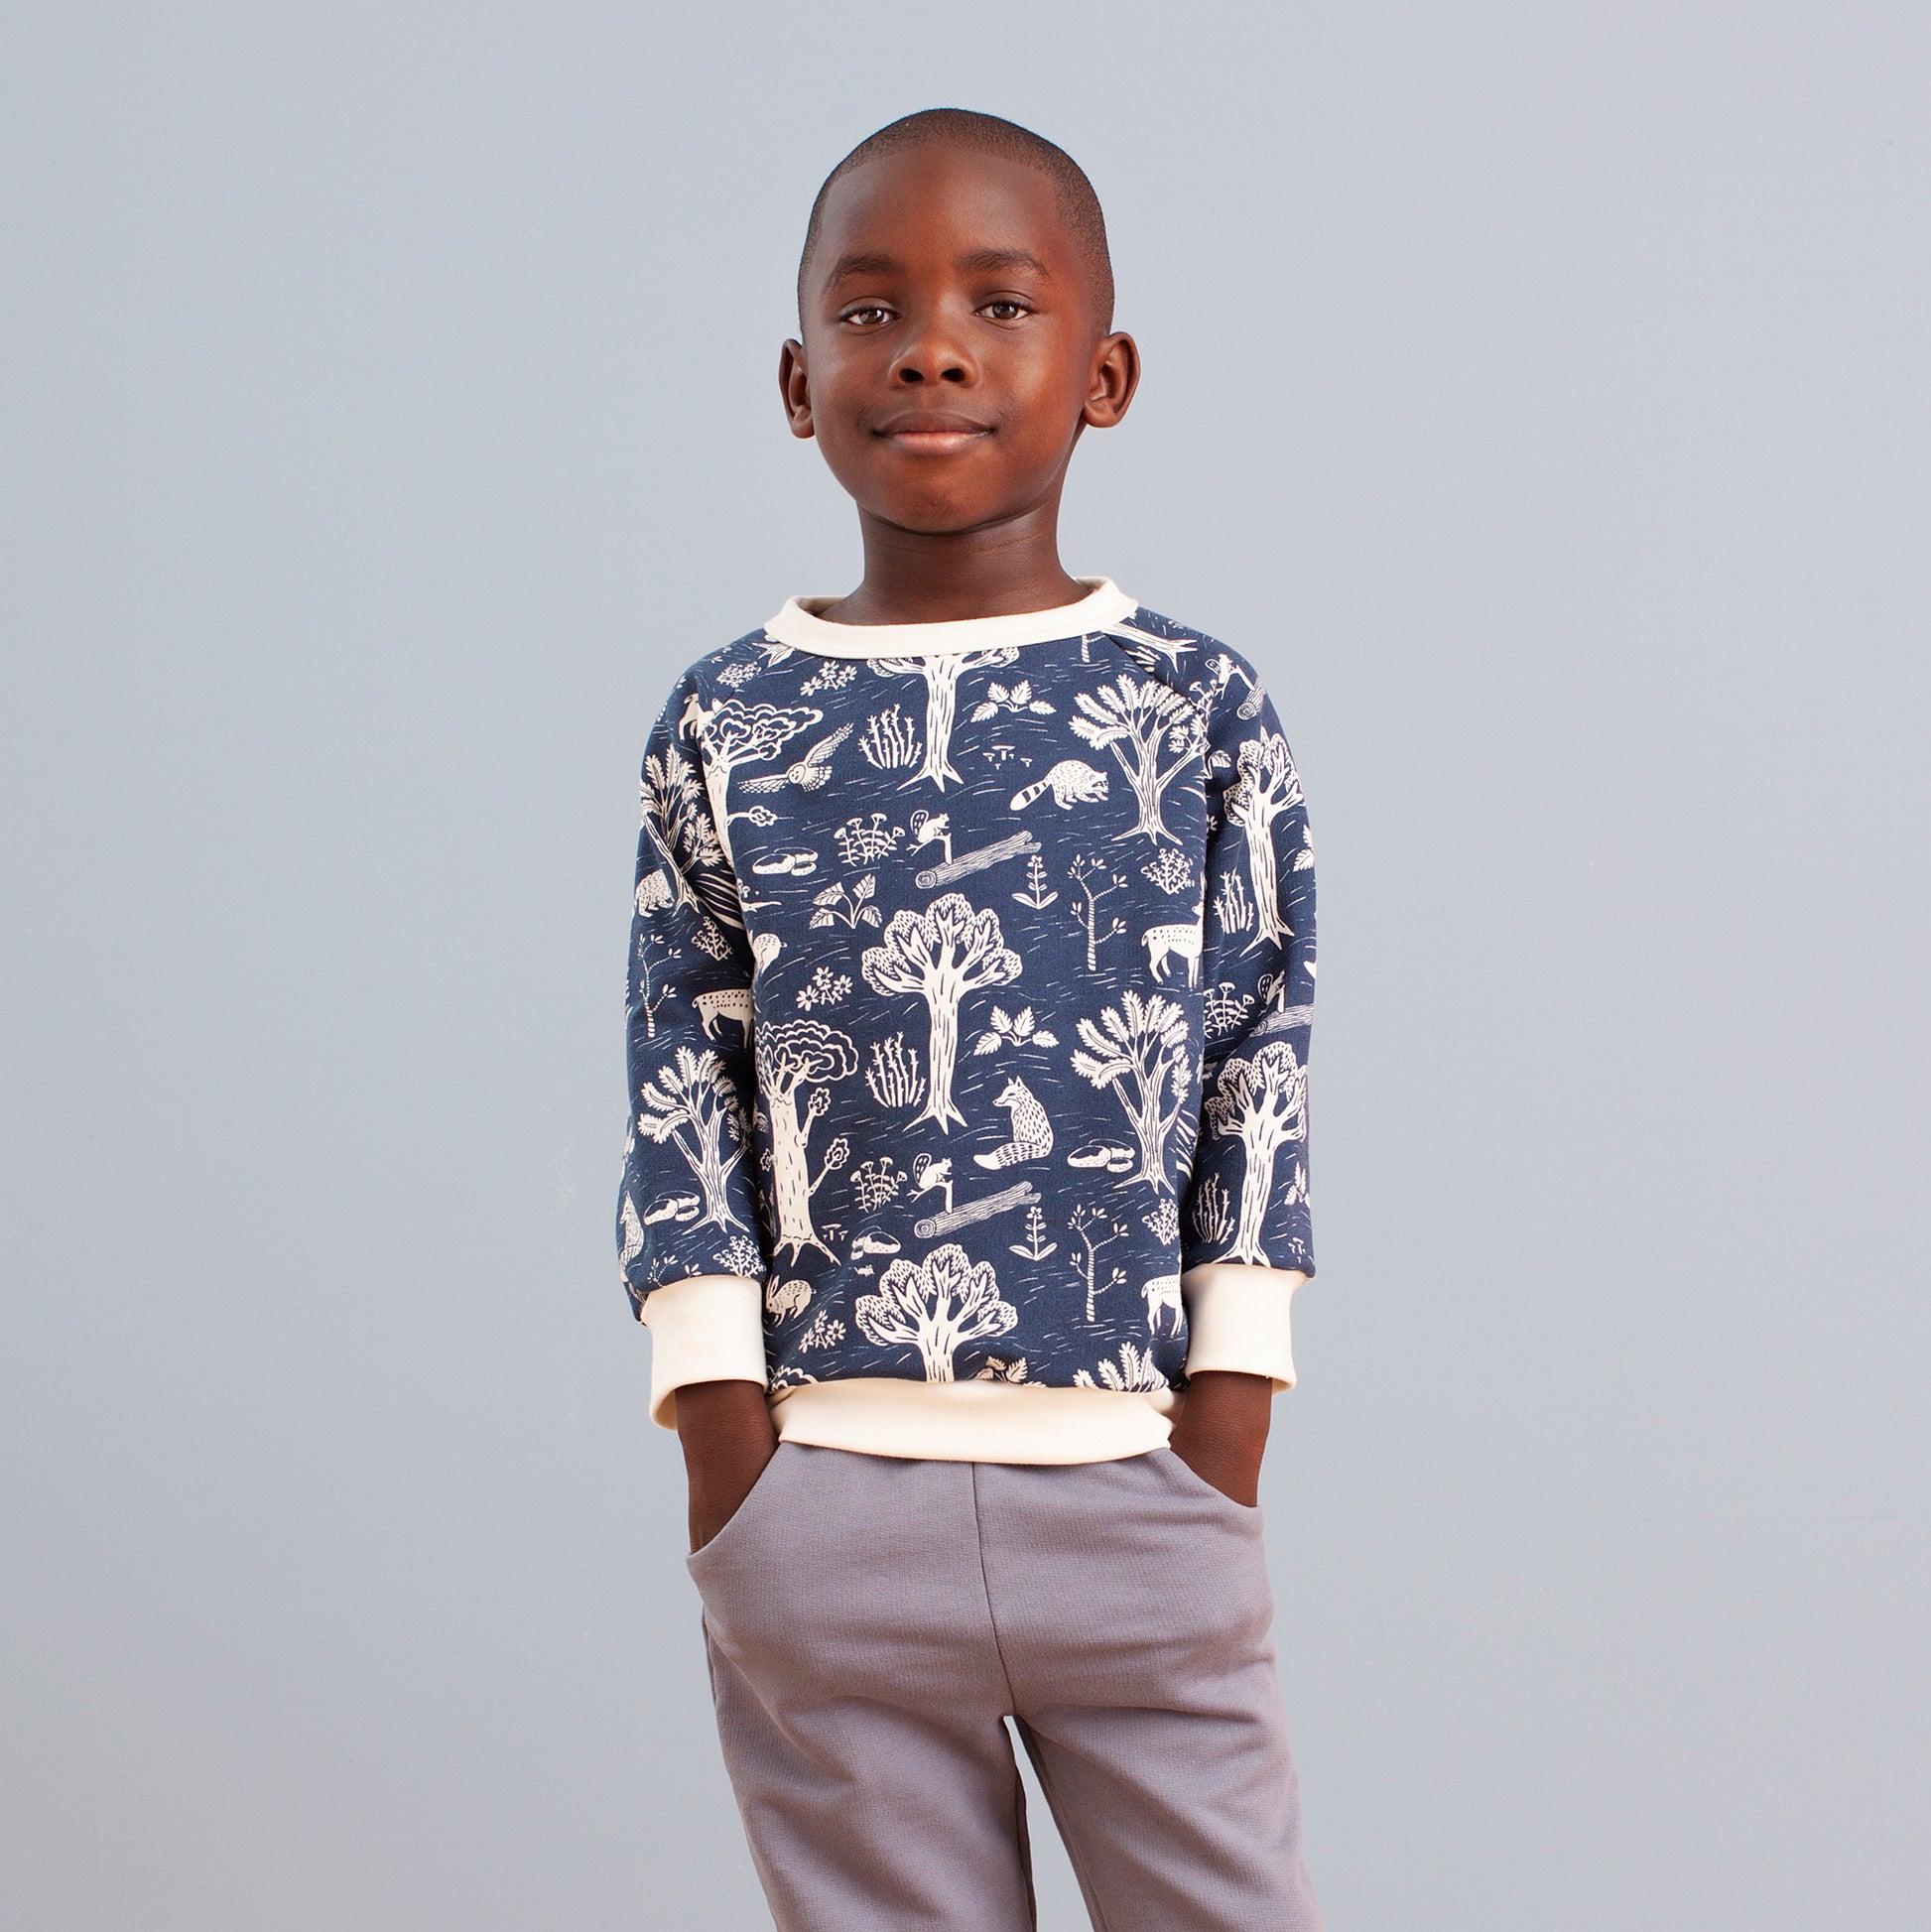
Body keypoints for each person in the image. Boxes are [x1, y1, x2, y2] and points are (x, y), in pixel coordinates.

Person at [618, 107, 1324, 1932]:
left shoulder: (1197, 705)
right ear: (797, 383)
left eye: (998, 305)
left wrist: (1224, 1423)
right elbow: (680, 1068)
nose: (928, 348)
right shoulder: (727, 720)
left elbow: (1257, 1054)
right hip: (822, 1505)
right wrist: (723, 1443)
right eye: (869, 313)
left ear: (1104, 375)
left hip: (1137, 1485)